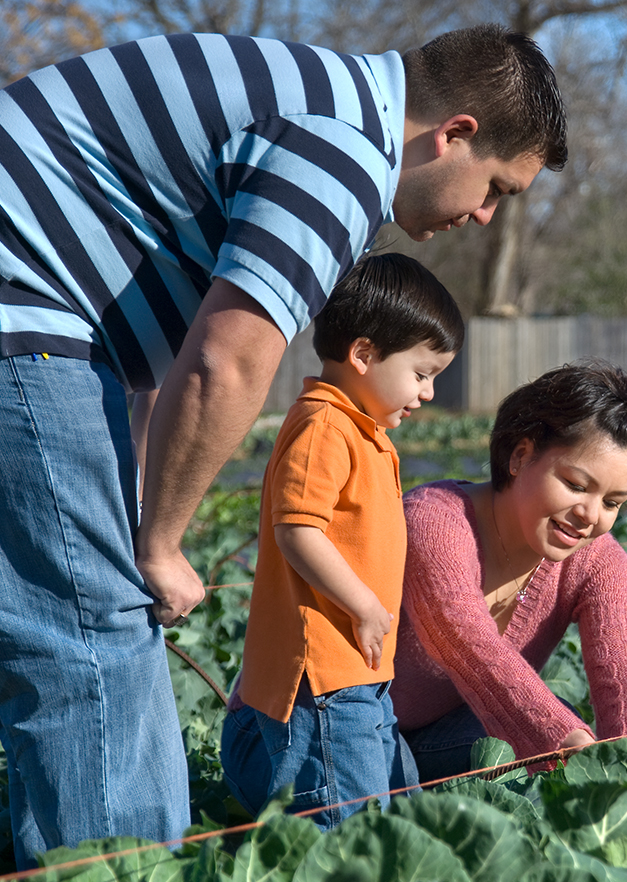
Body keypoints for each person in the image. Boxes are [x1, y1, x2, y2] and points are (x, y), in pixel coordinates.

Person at [0, 24, 567, 868]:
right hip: (27, 314)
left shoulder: (309, 99)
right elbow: (226, 361)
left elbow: (157, 350)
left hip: (53, 320)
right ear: (454, 133)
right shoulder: (340, 154)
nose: (483, 216)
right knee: (97, 633)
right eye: (495, 189)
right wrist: (155, 543)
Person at [220, 252, 461, 828]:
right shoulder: (325, 425)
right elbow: (298, 531)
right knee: (347, 825)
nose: (427, 393)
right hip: (327, 676)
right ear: (363, 355)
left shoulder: (362, 429)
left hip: (360, 671)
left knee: (381, 814)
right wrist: (363, 605)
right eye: (422, 373)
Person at [390, 360, 627, 782]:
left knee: (564, 736)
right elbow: (468, 642)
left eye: (612, 502)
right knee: (561, 733)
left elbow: (626, 676)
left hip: (445, 731)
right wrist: (561, 739)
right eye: (575, 485)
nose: (589, 515)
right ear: (520, 456)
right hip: (337, 727)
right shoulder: (435, 522)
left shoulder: (599, 562)